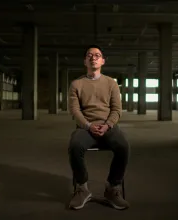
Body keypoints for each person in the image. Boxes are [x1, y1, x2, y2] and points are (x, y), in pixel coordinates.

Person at [68, 45, 130, 210]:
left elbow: (117, 110)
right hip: (85, 127)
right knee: (74, 146)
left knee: (123, 146)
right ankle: (82, 188)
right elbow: (75, 111)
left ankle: (112, 188)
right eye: (89, 55)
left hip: (107, 126)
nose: (93, 57)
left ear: (102, 61)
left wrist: (108, 125)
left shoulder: (111, 83)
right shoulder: (76, 84)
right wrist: (88, 126)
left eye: (97, 55)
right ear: (85, 61)